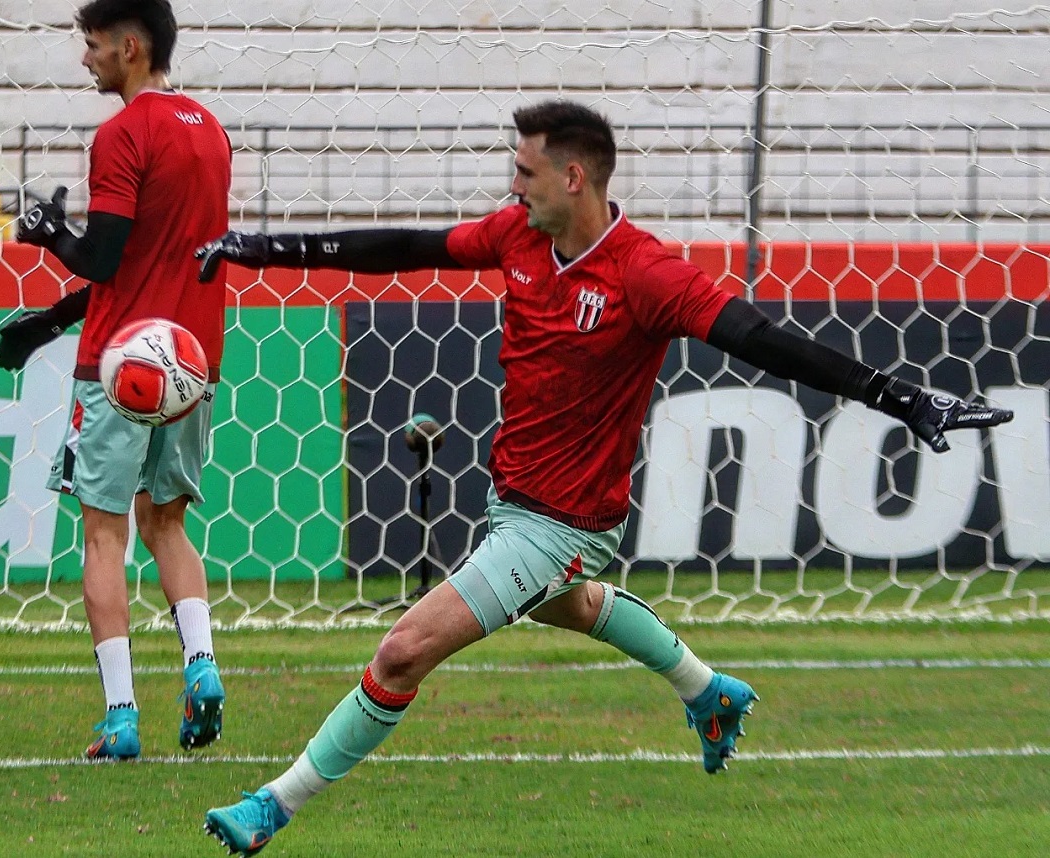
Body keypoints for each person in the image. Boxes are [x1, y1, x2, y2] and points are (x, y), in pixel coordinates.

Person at [193, 100, 1013, 854]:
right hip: (514, 502)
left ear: (572, 176)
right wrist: (262, 248)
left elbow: (759, 337)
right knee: (575, 607)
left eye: (524, 171)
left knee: (404, 650)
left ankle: (275, 805)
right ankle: (708, 690)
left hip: (566, 523)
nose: (511, 185)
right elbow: (408, 249)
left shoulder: (644, 273)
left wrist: (897, 395)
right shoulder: (518, 237)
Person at [0, 0, 233, 760]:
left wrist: (49, 235)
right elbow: (149, 261)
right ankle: (201, 667)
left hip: (121, 367)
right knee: (169, 525)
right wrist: (50, 320)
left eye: (94, 45)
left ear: (131, 47)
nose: (85, 59)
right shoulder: (211, 132)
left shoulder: (122, 135)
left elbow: (103, 259)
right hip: (191, 361)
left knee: (104, 534)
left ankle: (121, 717)